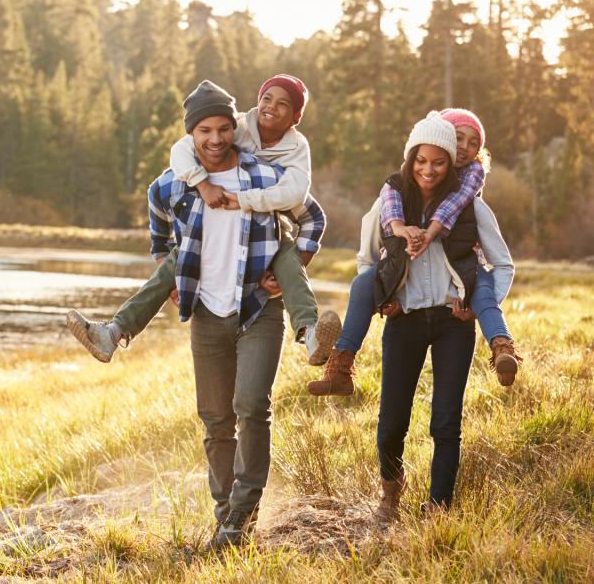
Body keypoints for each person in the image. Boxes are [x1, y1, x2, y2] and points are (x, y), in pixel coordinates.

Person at [127, 81, 326, 547]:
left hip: (258, 308)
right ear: (192, 135)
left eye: (222, 129)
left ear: (233, 132)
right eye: (204, 130)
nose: (214, 139)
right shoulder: (179, 177)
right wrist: (165, 265)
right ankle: (226, 519)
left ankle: (242, 512)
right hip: (207, 314)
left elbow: (312, 216)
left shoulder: (263, 175)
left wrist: (298, 262)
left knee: (252, 407)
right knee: (215, 420)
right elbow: (157, 215)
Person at [67, 75, 341, 367]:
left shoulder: (294, 152)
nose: (216, 137)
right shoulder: (235, 127)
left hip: (269, 232)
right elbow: (182, 149)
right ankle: (112, 333)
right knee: (177, 260)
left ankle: (310, 333)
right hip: (209, 235)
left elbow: (302, 198)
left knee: (287, 256)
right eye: (266, 99)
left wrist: (285, 272)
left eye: (283, 103)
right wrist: (201, 183)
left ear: (296, 117)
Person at [339, 112, 514, 519]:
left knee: (446, 421)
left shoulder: (471, 206)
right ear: (412, 157)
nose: (430, 168)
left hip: (455, 324)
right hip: (405, 321)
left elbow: (501, 265)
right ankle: (390, 494)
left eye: (440, 158)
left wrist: (474, 305)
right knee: (391, 422)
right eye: (422, 160)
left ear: (452, 157)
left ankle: (439, 507)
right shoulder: (390, 203)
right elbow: (366, 262)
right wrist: (384, 299)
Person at [307, 108, 521, 397]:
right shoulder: (396, 189)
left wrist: (430, 233)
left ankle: (502, 346)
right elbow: (370, 248)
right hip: (404, 297)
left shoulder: (469, 189)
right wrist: (384, 296)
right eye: (459, 139)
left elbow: (457, 207)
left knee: (482, 289)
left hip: (462, 274)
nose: (465, 148)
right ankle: (341, 364)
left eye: (474, 143)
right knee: (361, 284)